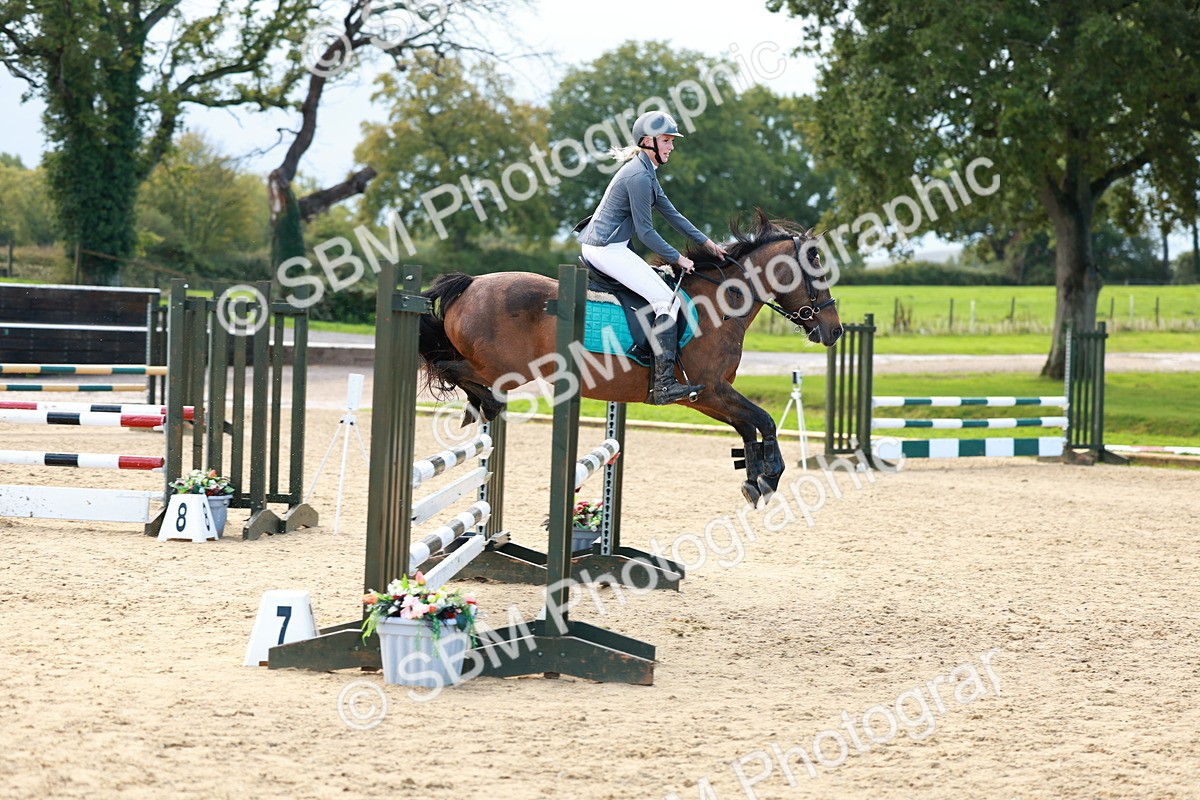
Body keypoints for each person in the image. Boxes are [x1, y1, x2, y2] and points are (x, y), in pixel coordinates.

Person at [576, 109, 727, 405]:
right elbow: (646, 233)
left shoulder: (645, 170)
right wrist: (678, 258)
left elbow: (672, 214)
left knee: (663, 297)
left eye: (672, 141)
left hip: (612, 246)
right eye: (667, 140)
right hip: (605, 248)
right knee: (666, 301)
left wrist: (707, 243)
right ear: (648, 141)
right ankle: (664, 385)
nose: (672, 146)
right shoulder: (638, 176)